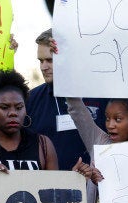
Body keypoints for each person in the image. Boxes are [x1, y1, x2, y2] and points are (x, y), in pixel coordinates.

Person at [26, 28, 108, 170]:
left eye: (50, 60)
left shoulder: (101, 94)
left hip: (96, 185)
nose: (43, 67)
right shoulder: (30, 99)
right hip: (50, 187)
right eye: (41, 61)